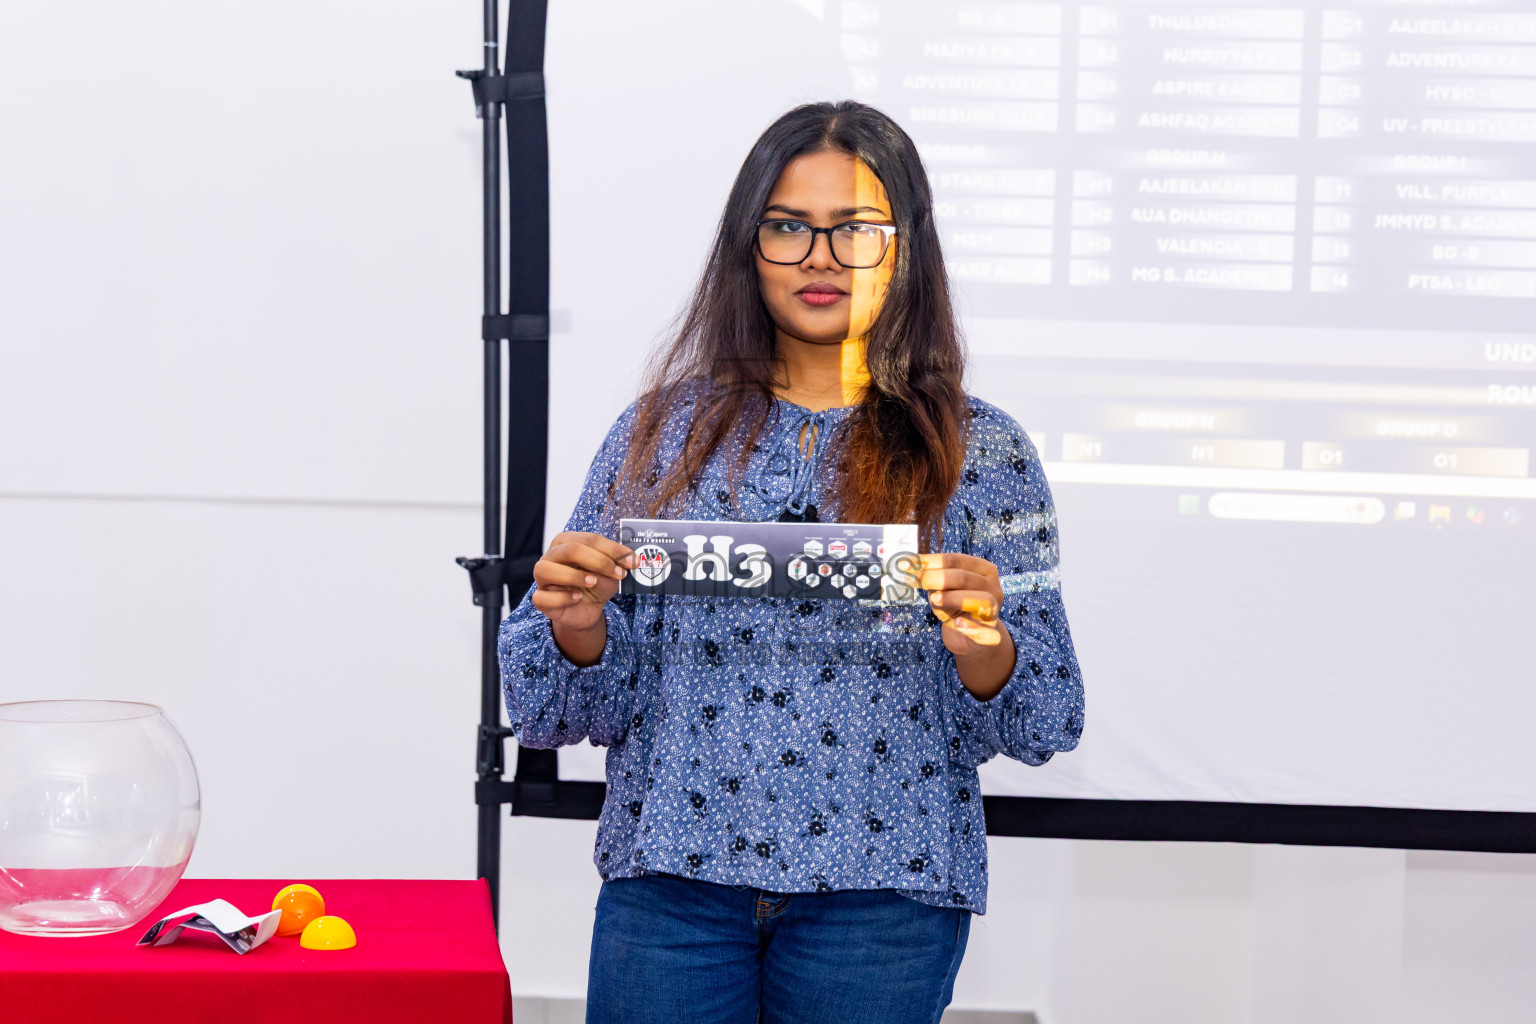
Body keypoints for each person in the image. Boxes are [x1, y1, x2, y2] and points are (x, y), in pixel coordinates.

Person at [497, 100, 1084, 1024]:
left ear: (907, 247)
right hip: (673, 890)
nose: (819, 257)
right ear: (748, 246)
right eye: (788, 228)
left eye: (855, 229)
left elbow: (1045, 714)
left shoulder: (984, 450)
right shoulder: (662, 432)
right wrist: (576, 622)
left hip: (886, 897)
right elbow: (555, 706)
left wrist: (984, 642)